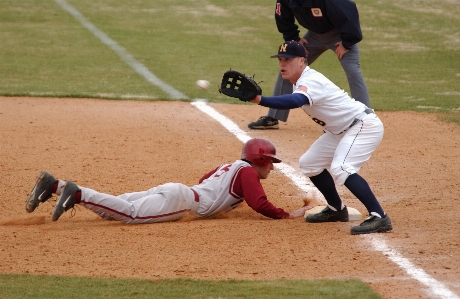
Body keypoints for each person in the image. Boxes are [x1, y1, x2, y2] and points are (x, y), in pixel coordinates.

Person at [241, 41, 392, 235]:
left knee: (342, 168)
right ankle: (337, 210)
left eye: (287, 60)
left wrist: (260, 100)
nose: (282, 64)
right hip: (340, 131)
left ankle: (379, 216)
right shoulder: (299, 81)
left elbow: (296, 101)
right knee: (309, 163)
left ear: (302, 61)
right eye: (280, 60)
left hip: (362, 126)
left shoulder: (311, 80)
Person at [25, 138, 312, 223]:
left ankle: (55, 185)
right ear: (260, 159)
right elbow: (259, 203)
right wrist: (287, 214)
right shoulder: (249, 173)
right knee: (130, 215)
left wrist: (223, 203)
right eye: (271, 163)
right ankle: (76, 194)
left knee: (119, 205)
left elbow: (204, 179)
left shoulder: (230, 166)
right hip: (183, 200)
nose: (272, 169)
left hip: (179, 190)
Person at [248, 0, 370, 130]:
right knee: (288, 67)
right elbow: (283, 18)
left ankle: (365, 117)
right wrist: (295, 39)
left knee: (353, 71)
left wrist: (347, 43)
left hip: (339, 36)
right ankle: (273, 117)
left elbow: (349, 11)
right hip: (314, 36)